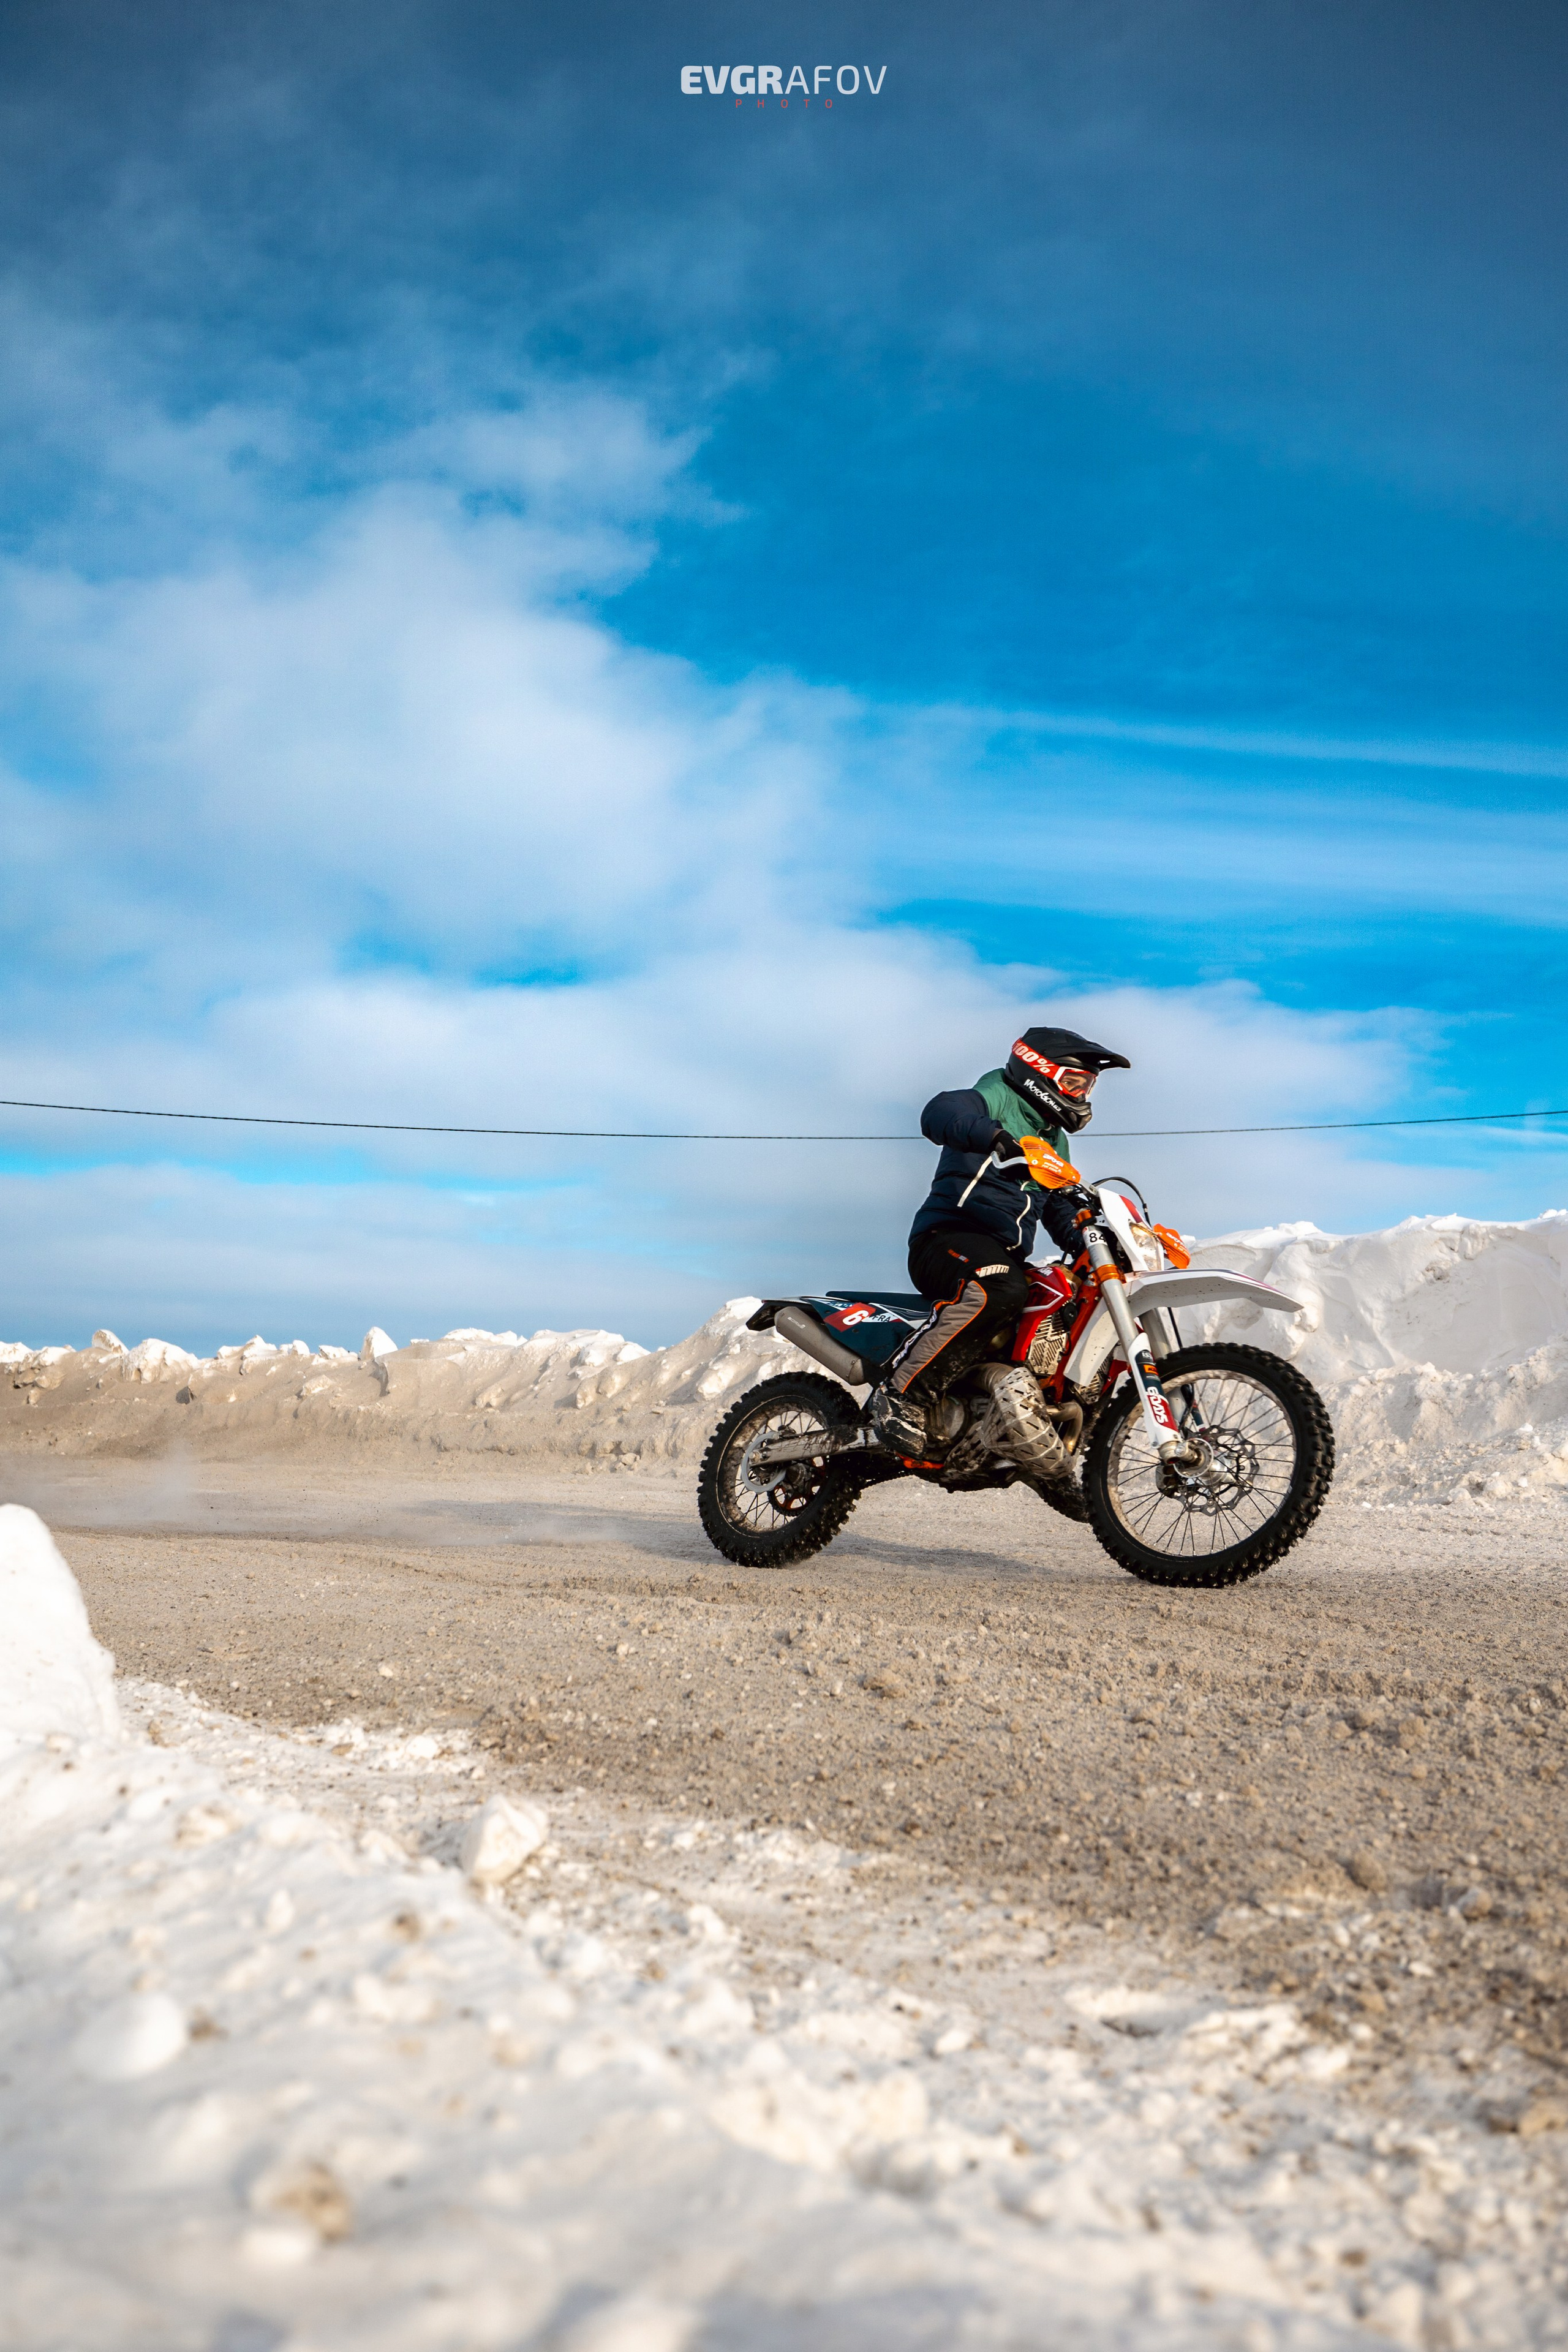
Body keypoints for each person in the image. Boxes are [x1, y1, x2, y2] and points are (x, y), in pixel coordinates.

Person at [869, 1026, 1130, 1460]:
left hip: (1001, 1254)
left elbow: (1057, 1208)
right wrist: (992, 1136)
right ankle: (901, 1398)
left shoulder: (1053, 1139)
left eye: (1088, 1086)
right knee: (1002, 1288)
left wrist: (1093, 1237)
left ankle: (1052, 1442)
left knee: (1062, 1301)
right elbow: (940, 1111)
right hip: (949, 1237)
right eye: (1074, 1082)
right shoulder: (994, 1097)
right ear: (1039, 1073)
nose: (1082, 1095)